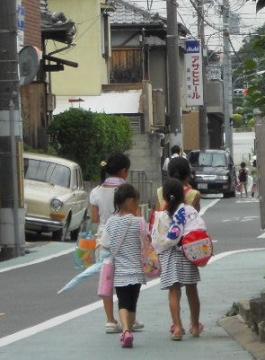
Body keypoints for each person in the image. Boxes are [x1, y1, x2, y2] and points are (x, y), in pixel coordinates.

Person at [89, 153, 143, 333]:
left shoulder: (96, 191)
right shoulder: (127, 189)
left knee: (107, 279)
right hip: (125, 234)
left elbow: (95, 218)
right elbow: (134, 215)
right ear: (123, 171)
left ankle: (110, 320)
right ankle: (129, 319)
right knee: (126, 280)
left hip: (103, 238)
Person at [152, 178, 203, 341]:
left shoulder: (162, 215)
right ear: (183, 195)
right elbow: (201, 227)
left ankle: (178, 328)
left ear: (165, 197)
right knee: (192, 290)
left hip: (169, 256)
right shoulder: (189, 211)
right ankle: (195, 325)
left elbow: (158, 238)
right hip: (188, 254)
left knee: (174, 292)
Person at [101, 184, 146, 348]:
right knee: (132, 303)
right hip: (137, 273)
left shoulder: (111, 222)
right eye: (136, 201)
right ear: (130, 201)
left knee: (122, 303)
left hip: (120, 273)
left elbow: (105, 244)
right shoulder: (139, 222)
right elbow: (145, 242)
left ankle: (125, 330)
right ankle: (130, 327)